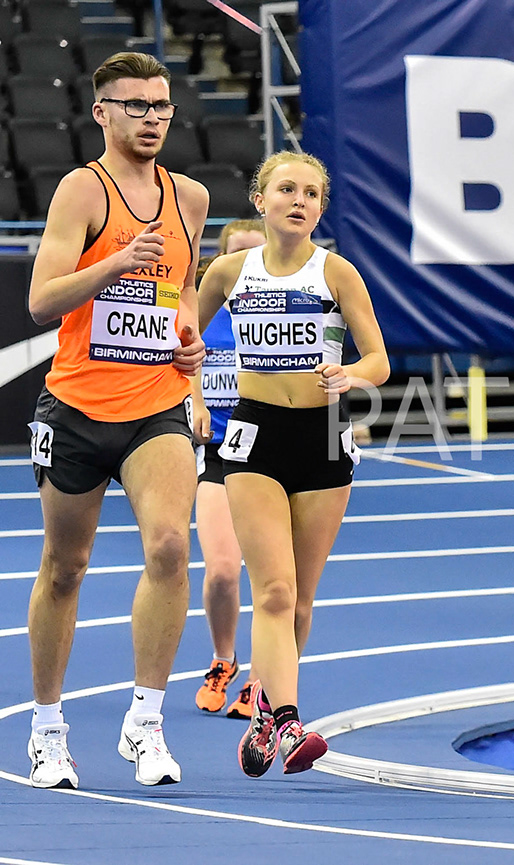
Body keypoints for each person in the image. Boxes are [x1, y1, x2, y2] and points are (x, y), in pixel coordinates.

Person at [24, 52, 209, 789]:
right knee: (65, 567)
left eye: (161, 105)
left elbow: (181, 287)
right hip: (75, 405)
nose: (152, 118)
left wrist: (189, 338)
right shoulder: (82, 189)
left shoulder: (189, 196)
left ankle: (146, 721)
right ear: (102, 112)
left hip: (154, 404)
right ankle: (47, 729)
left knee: (169, 547)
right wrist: (116, 259)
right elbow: (42, 300)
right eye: (135, 106)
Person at [194, 152, 389, 776]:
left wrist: (350, 372)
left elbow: (380, 360)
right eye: (286, 189)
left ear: (320, 209)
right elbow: (182, 342)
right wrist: (189, 396)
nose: (298, 200)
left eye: (311, 193)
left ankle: (262, 713)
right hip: (253, 436)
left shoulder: (337, 273)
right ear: (261, 200)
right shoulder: (227, 272)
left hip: (324, 436)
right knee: (272, 590)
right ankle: (287, 719)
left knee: (300, 599)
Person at [190, 218, 264, 718]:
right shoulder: (201, 304)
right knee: (220, 571)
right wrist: (193, 400)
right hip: (218, 449)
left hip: (272, 447)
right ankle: (224, 660)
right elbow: (182, 357)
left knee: (271, 576)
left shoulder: (280, 309)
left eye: (255, 256)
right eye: (235, 256)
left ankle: (262, 678)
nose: (246, 267)